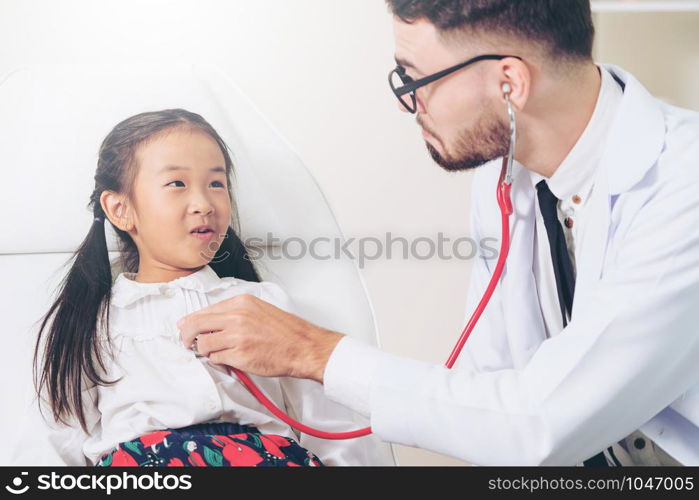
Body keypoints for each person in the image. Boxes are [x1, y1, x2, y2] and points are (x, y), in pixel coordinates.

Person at [177, 0, 699, 466]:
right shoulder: (504, 178)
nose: (410, 101)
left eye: (416, 77)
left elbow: (539, 425)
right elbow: (489, 388)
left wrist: (314, 352)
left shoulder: (684, 188)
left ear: (510, 83)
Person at [13, 109, 386, 467]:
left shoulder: (263, 305)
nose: (204, 203)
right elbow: (48, 445)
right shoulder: (91, 324)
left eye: (216, 183)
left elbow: (334, 427)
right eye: (177, 183)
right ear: (120, 209)